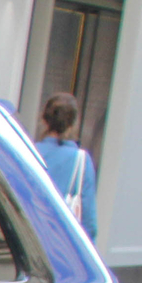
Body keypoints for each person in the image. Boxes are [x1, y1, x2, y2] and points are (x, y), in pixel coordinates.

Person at [35, 90, 98, 241]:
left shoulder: (29, 152)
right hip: (62, 243)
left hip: (34, 238)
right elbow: (88, 221)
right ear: (73, 124)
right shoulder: (81, 160)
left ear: (44, 120)